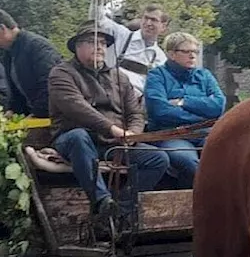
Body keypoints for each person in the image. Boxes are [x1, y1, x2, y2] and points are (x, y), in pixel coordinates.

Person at [48, 20, 170, 233]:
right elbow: (77, 108)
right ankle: (102, 201)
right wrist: (113, 129)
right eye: (92, 42)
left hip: (114, 143)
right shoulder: (61, 74)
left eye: (104, 43)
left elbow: (135, 112)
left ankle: (118, 210)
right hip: (74, 139)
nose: (100, 47)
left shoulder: (118, 76)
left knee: (158, 159)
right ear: (77, 47)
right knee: (78, 137)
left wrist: (133, 134)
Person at [144, 32, 226, 189]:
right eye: (186, 51)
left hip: (204, 133)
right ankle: (193, 205)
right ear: (171, 54)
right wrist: (202, 114)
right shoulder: (157, 76)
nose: (192, 56)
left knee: (230, 154)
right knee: (189, 162)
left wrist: (183, 102)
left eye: (195, 52)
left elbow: (218, 106)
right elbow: (160, 111)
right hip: (171, 135)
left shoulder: (205, 76)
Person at [0, 9, 60, 119]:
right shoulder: (9, 54)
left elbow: (50, 85)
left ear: (2, 28)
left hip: (52, 116)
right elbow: (16, 93)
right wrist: (13, 110)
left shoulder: (38, 47)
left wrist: (36, 114)